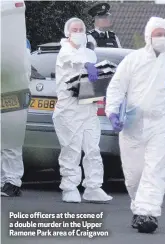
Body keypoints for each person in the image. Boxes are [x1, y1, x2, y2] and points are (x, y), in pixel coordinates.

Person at [105, 16, 165, 234]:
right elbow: (116, 87)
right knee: (134, 175)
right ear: (148, 36)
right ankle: (140, 208)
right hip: (133, 125)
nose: (162, 38)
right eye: (158, 34)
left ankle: (149, 213)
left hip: (162, 126)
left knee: (155, 171)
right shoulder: (132, 60)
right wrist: (112, 113)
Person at [53, 17, 113, 203]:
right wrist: (87, 65)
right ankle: (69, 187)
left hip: (89, 107)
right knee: (71, 149)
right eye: (75, 30)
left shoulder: (90, 53)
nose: (78, 33)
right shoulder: (64, 51)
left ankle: (93, 186)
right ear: (67, 32)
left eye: (81, 29)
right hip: (69, 110)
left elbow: (91, 68)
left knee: (92, 149)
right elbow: (74, 60)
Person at [0, 39, 32, 197]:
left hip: (13, 94)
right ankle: (3, 181)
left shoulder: (19, 41)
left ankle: (12, 182)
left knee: (11, 142)